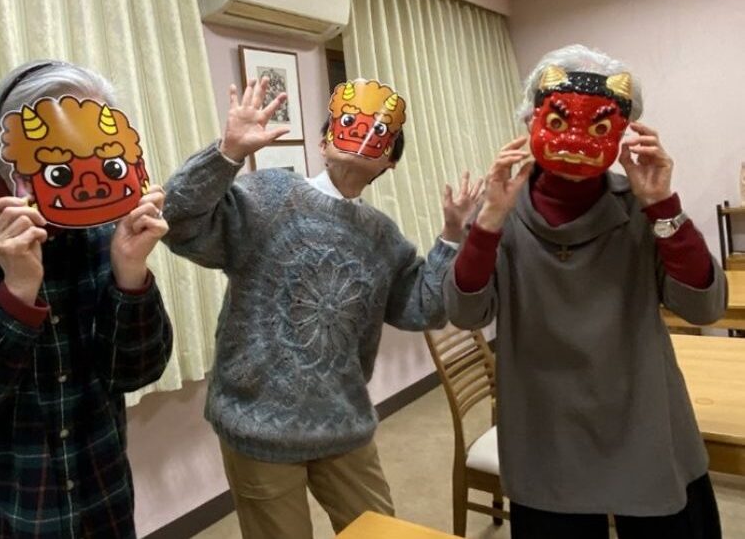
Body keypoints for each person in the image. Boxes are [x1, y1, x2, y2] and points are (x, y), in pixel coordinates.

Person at [161, 76, 482, 539]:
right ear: (323, 139)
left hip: (342, 423)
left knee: (380, 531)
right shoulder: (268, 195)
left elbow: (424, 308)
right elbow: (177, 220)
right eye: (349, 122)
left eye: (380, 133)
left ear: (390, 162)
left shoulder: (381, 234)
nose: (364, 134)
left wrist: (451, 236)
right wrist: (227, 153)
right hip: (259, 425)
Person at [444, 44, 727, 539]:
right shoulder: (502, 210)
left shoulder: (640, 205)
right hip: (545, 427)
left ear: (624, 131)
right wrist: (488, 220)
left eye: (598, 127)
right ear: (531, 120)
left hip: (643, 416)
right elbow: (466, 311)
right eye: (558, 121)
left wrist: (662, 204)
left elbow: (703, 306)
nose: (575, 140)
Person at [0, 60, 173, 538]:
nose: (81, 173)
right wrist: (15, 293)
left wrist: (130, 274)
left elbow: (135, 371)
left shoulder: (97, 231)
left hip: (99, 505)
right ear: (0, 146)